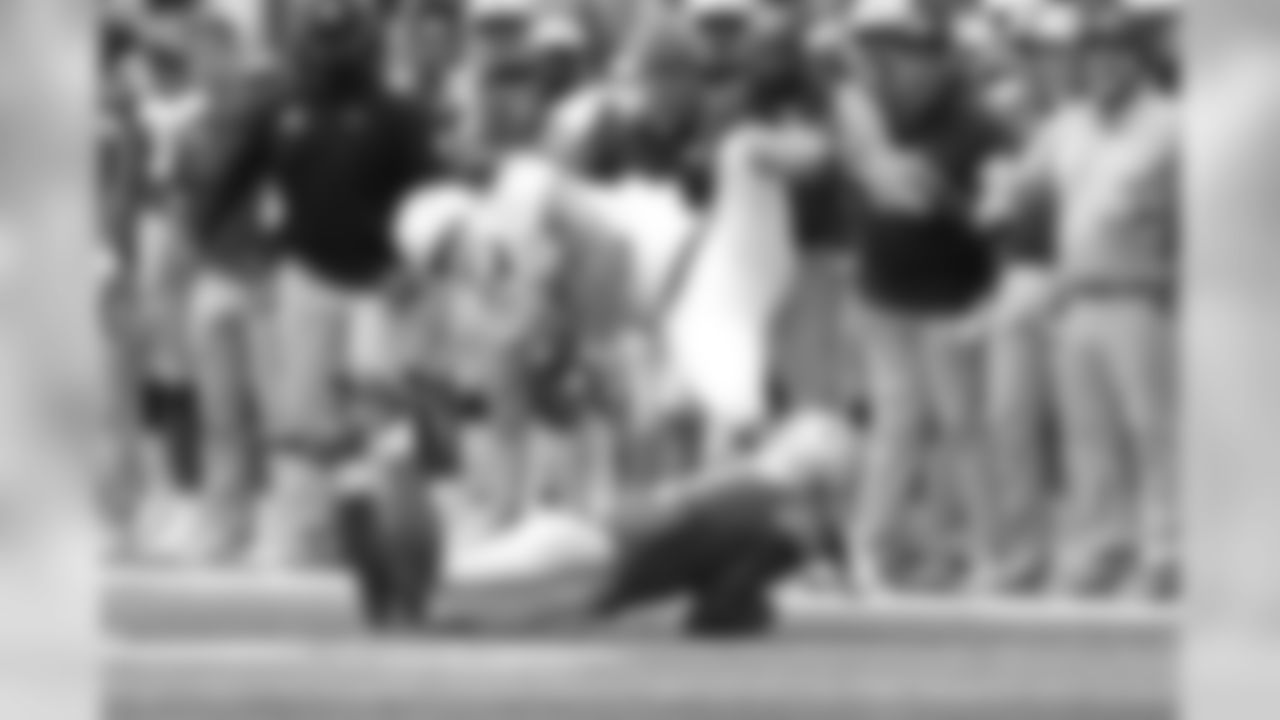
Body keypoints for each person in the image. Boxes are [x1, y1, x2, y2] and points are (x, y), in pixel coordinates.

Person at [192, 0, 435, 567]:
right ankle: (307, 534)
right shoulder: (279, 109)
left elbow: (431, 196)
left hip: (381, 278)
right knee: (304, 414)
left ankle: (385, 532)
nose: (333, 53)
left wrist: (414, 265)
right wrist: (224, 249)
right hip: (304, 274)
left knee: (379, 407)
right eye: (323, 40)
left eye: (343, 38)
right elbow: (226, 187)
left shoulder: (397, 114)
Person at [977, 2, 1179, 598]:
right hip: (1075, 295)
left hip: (1142, 293)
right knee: (1086, 434)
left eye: (1114, 53)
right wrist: (999, 188)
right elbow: (1018, 194)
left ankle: (1170, 549)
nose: (1102, 66)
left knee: (1152, 427)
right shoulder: (1066, 125)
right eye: (1092, 55)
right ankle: (1104, 547)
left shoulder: (1173, 124)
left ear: (1137, 59)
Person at [337, 405, 860, 635]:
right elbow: (718, 613)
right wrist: (758, 610)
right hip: (600, 559)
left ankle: (380, 505)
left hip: (585, 533)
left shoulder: (746, 480)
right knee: (451, 599)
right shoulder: (778, 516)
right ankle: (391, 477)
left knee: (455, 597)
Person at [832, 0, 1009, 598]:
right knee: (898, 425)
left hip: (954, 294)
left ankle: (985, 554)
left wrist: (883, 169)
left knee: (963, 426)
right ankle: (870, 552)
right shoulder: (877, 114)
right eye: (891, 55)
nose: (901, 67)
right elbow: (877, 190)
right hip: (884, 295)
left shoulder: (972, 121)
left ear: (940, 59)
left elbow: (917, 199)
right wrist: (879, 166)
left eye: (913, 54)